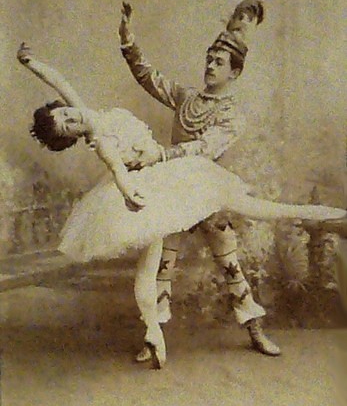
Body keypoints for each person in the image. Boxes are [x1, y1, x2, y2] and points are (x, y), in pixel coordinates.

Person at [17, 43, 347, 368]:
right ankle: (153, 334)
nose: (71, 118)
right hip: (155, 189)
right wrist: (131, 193)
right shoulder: (99, 138)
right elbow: (119, 171)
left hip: (184, 178)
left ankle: (257, 320)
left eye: (64, 113)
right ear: (73, 136)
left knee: (236, 247)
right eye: (68, 126)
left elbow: (59, 81)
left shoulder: (84, 110)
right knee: (157, 269)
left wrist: (31, 63)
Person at [118, 0, 346, 361]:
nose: (210, 65)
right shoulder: (186, 98)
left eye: (219, 62)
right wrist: (128, 41)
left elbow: (206, 149)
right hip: (175, 190)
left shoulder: (233, 115)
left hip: (207, 192)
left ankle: (254, 328)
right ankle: (152, 336)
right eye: (209, 59)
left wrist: (161, 155)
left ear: (234, 73)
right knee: (162, 262)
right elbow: (149, 78)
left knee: (229, 263)